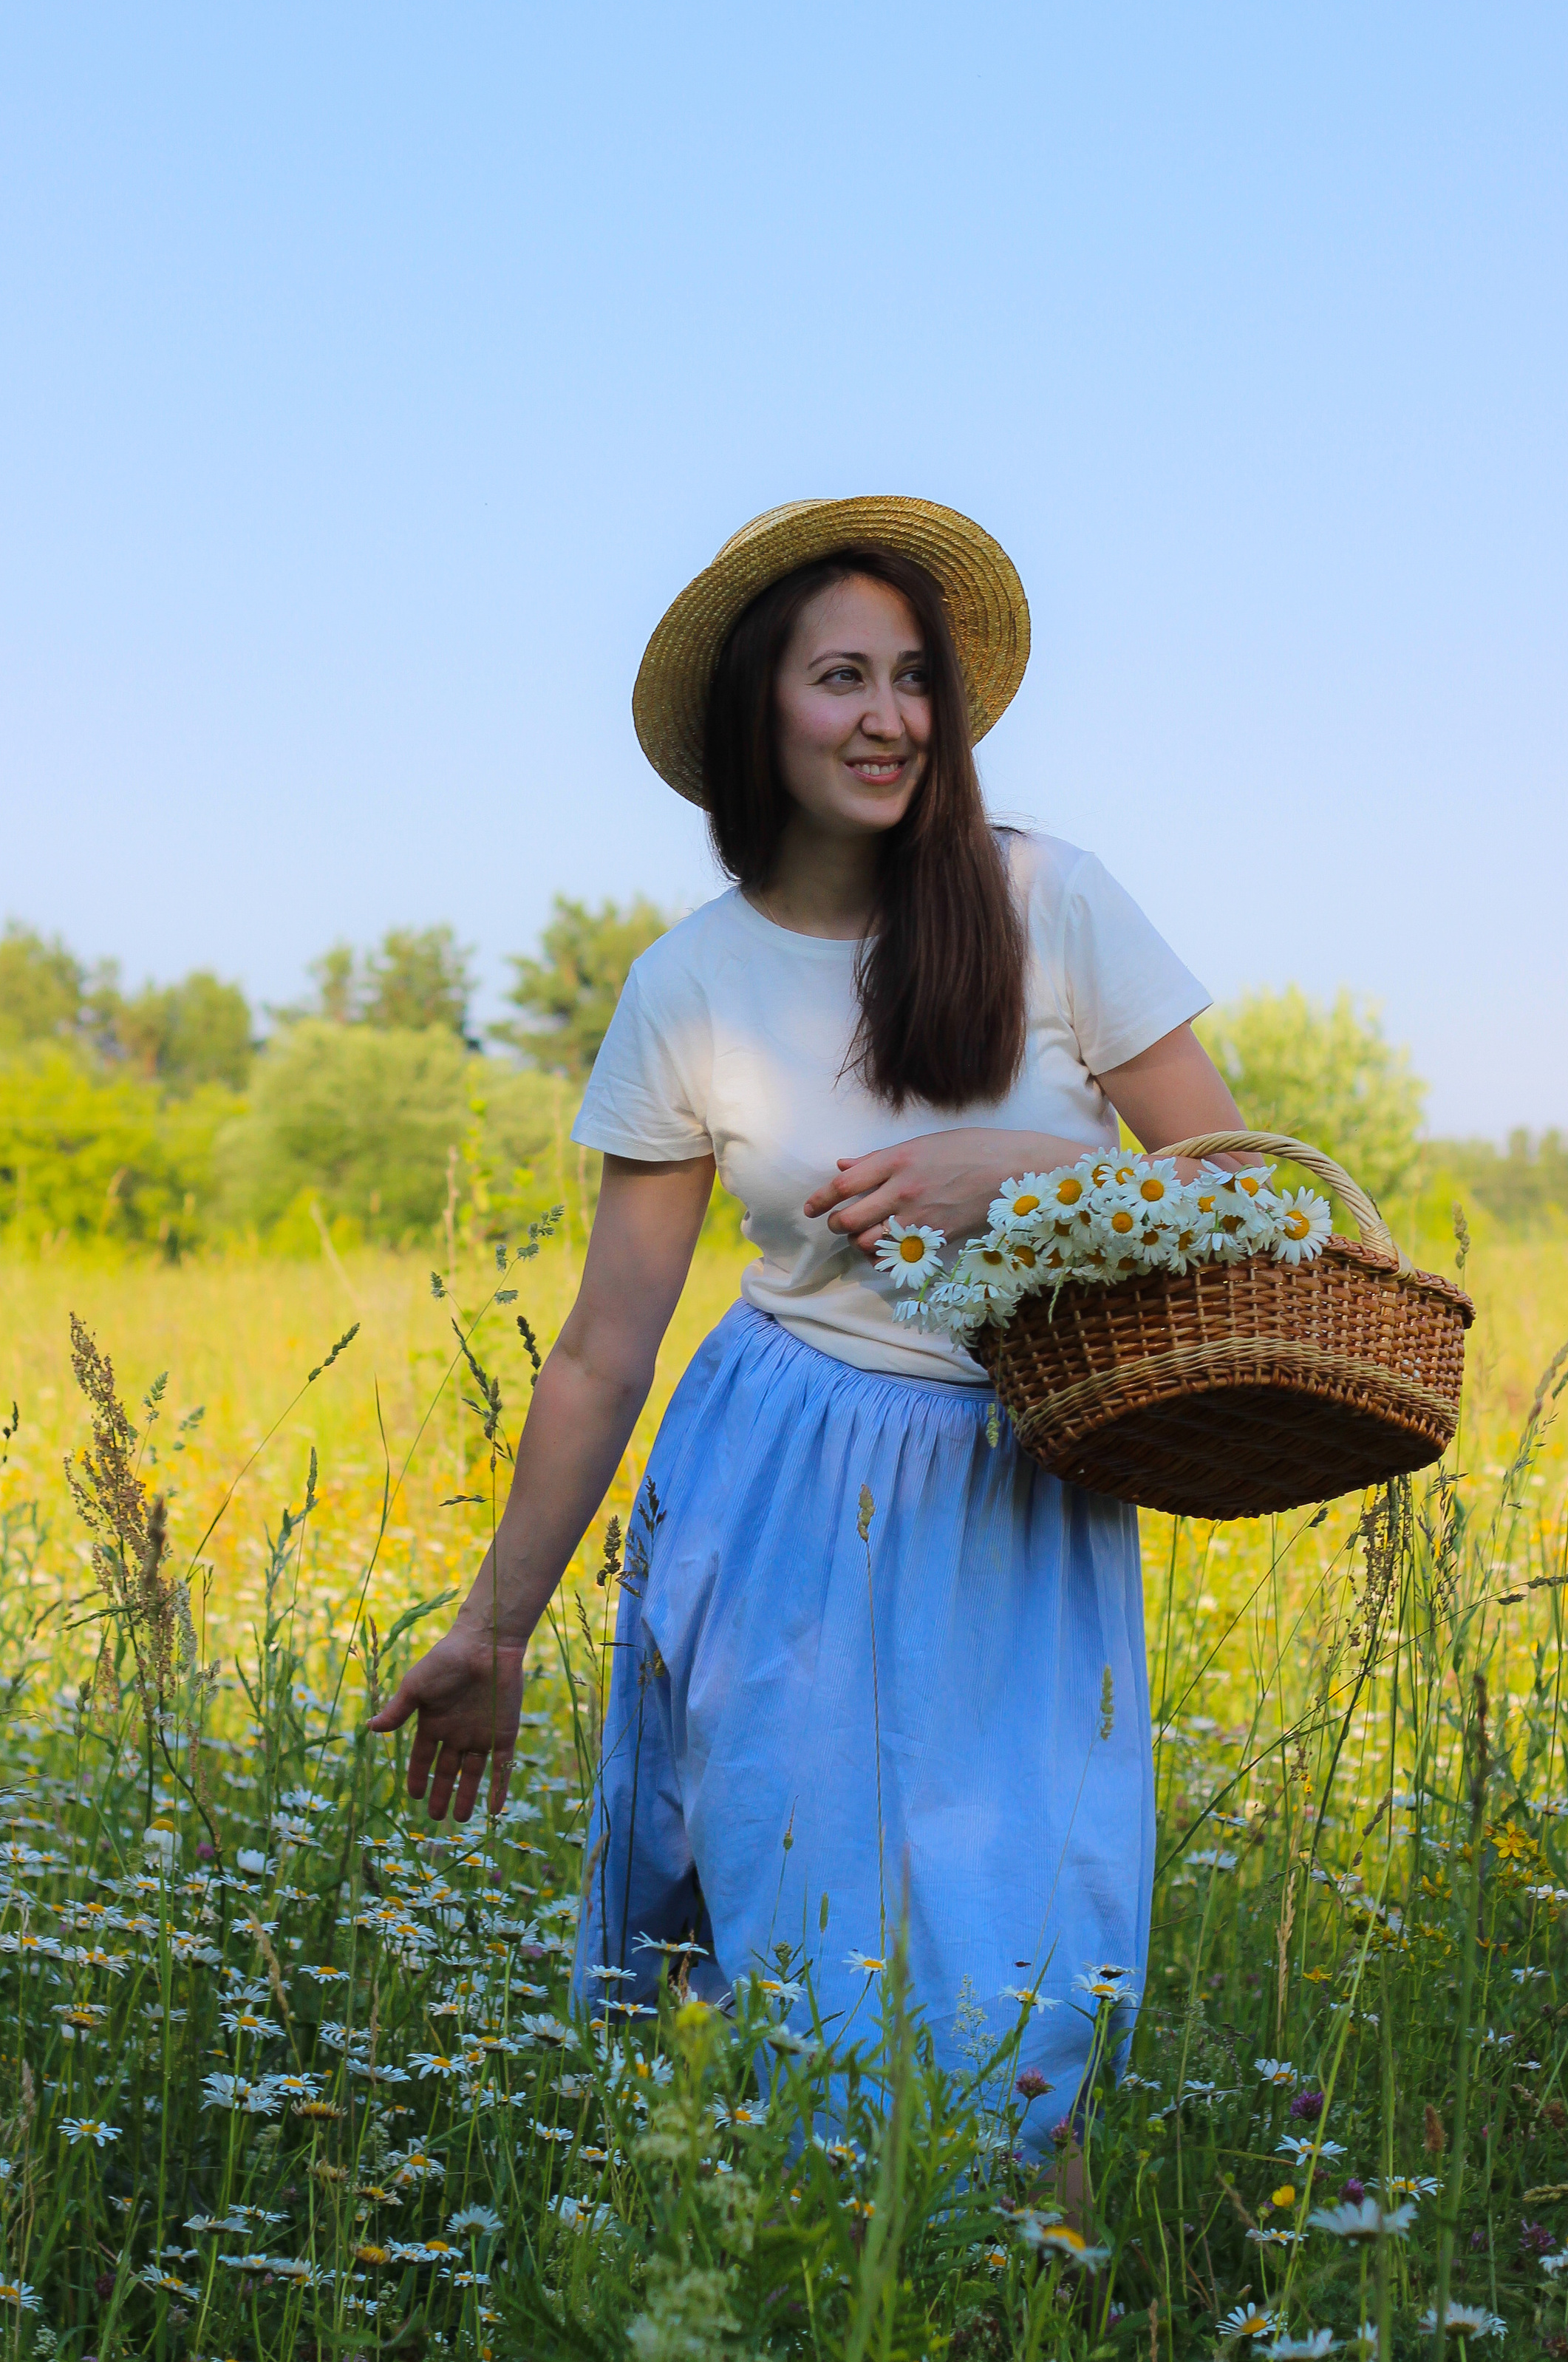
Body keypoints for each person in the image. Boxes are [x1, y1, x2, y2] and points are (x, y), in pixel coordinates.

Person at [368, 496, 1241, 2142]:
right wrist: (496, 1627)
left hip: (1016, 1484)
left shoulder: (1049, 898)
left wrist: (1023, 1176)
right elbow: (603, 1343)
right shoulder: (687, 984)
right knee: (797, 1934)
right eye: (842, 677)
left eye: (912, 679)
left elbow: (1250, 1196)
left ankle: (1026, 2291)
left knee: (1023, 1952)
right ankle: (797, 2266)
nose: (889, 717)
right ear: (757, 709)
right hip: (777, 1481)